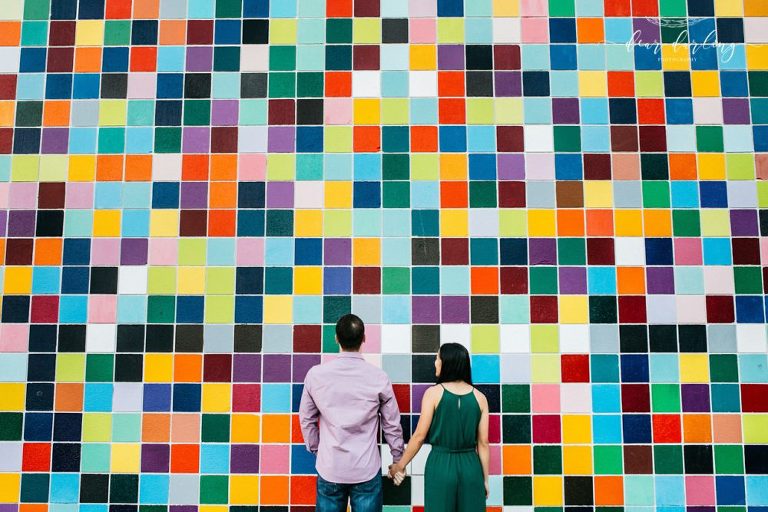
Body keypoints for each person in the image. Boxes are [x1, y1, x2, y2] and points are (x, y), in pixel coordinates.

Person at [299, 314, 405, 512]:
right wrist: (397, 458)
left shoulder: (316, 375)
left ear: (336, 338)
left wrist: (318, 449)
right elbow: (392, 423)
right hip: (365, 469)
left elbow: (306, 419)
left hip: (330, 466)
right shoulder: (378, 377)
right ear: (364, 338)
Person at [388, 343, 489, 512]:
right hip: (471, 467)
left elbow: (419, 436)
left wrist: (400, 465)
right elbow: (483, 443)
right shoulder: (480, 398)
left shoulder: (433, 393)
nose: (435, 362)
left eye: (437, 358)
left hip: (440, 465)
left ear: (447, 363)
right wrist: (484, 479)